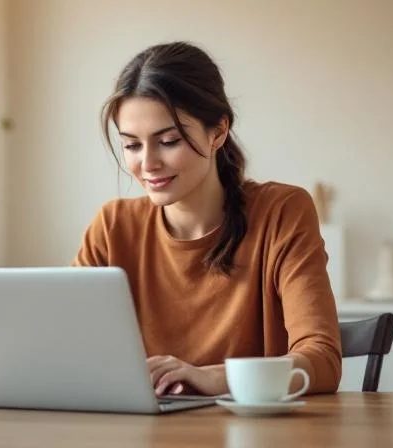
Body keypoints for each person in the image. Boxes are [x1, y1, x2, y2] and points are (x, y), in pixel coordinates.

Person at [72, 41, 342, 397]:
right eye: (132, 146)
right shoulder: (112, 226)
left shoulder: (282, 212)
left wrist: (217, 379)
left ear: (217, 132)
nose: (147, 164)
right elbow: (69, 350)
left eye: (168, 141)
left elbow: (322, 361)